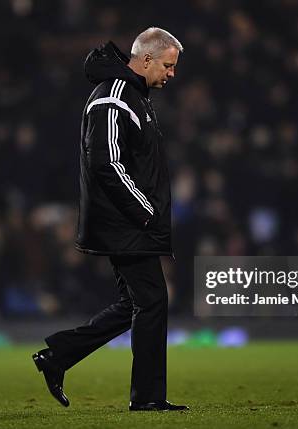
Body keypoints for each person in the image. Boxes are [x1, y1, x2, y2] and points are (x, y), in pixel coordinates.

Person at [32, 27, 188, 412]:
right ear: (146, 59)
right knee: (152, 300)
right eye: (168, 65)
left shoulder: (134, 95)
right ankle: (148, 398)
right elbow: (106, 162)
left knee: (135, 302)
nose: (171, 74)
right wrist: (146, 212)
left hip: (129, 223)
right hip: (125, 225)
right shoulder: (115, 97)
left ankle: (58, 356)